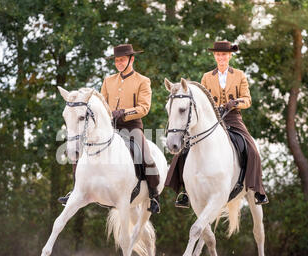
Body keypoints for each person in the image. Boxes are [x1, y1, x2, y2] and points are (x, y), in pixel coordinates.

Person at [58, 44, 161, 214]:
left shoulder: (143, 81)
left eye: (122, 60)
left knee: (145, 155)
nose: (119, 63)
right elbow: (101, 104)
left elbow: (144, 108)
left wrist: (124, 112)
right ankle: (75, 189)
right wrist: (108, 114)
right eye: (117, 60)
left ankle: (153, 194)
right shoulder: (108, 81)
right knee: (81, 149)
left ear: (131, 59)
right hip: (109, 127)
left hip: (131, 125)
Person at [166, 40, 269, 207]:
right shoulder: (207, 77)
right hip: (211, 119)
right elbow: (201, 100)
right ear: (215, 56)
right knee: (185, 149)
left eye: (224, 55)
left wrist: (235, 103)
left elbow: (248, 99)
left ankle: (257, 189)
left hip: (233, 117)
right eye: (218, 54)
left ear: (229, 56)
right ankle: (185, 191)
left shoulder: (240, 75)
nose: (221, 57)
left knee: (252, 149)